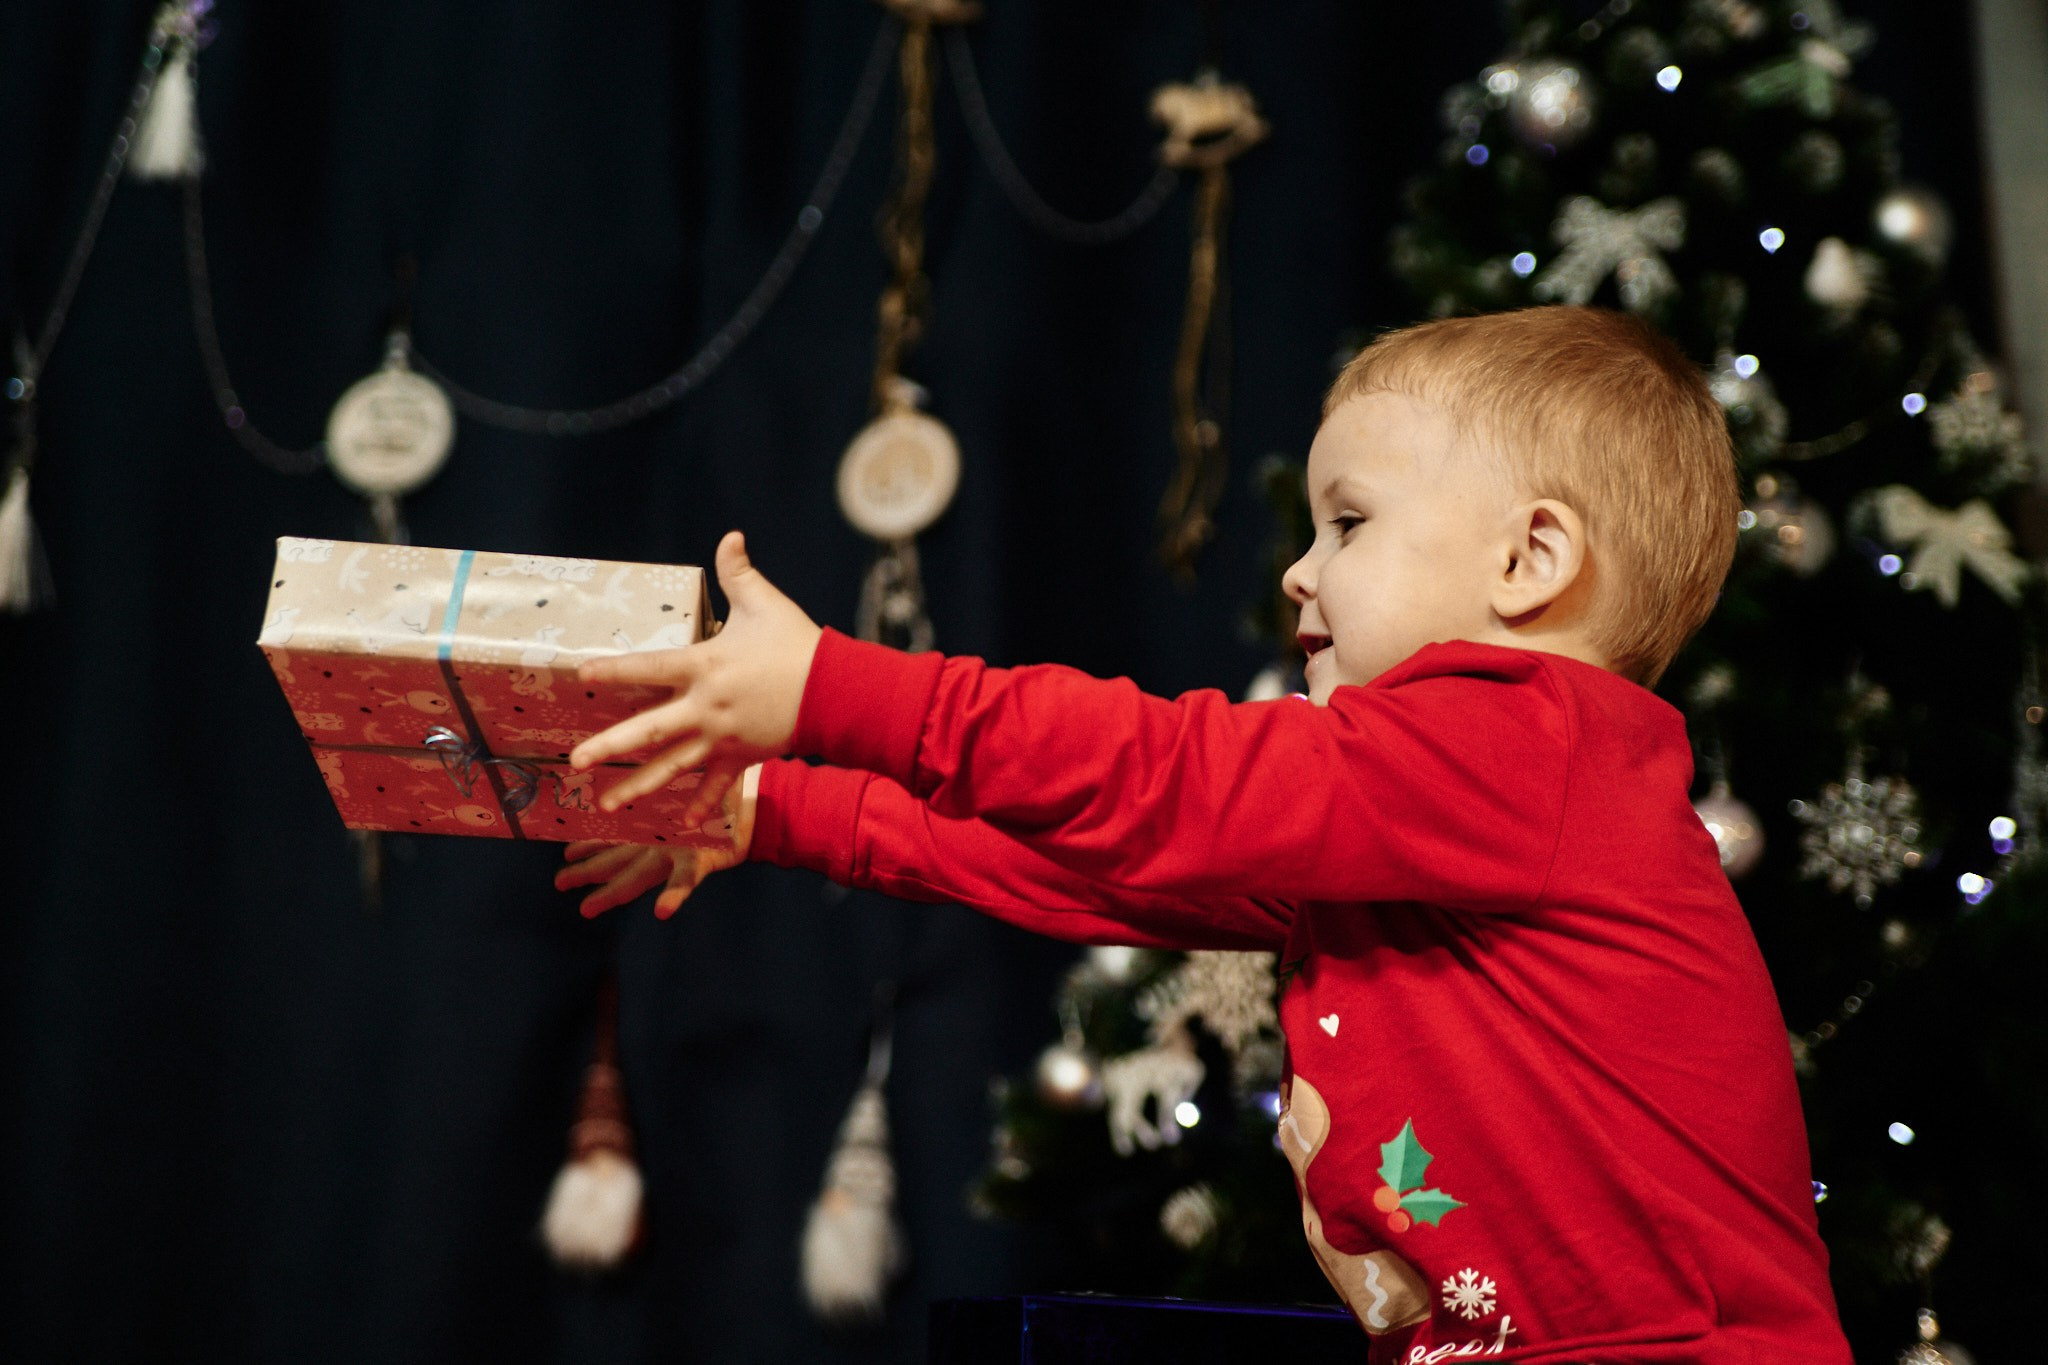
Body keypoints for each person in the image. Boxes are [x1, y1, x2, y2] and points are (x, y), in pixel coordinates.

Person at [556, 306, 1853, 1362]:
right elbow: (1093, 861)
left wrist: (844, 690)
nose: (1299, 569)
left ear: (1529, 562)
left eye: (1347, 522)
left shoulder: (1537, 741)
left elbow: (1162, 778)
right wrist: (773, 806)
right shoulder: (1411, 831)